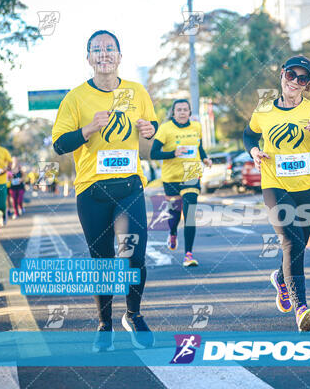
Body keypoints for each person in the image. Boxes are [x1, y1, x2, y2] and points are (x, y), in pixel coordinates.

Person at [52, 30, 158, 352]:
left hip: (128, 186)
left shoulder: (137, 92)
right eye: (97, 50)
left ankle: (133, 314)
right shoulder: (75, 98)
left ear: (119, 56)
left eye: (110, 48)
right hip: (91, 190)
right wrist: (88, 129)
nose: (104, 54)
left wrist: (149, 132)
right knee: (102, 260)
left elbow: (148, 142)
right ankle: (104, 324)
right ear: (89, 59)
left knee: (133, 253)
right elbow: (59, 145)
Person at [243, 55, 310, 331]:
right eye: (291, 75)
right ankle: (301, 309)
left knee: (298, 244)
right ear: (282, 75)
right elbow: (249, 135)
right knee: (292, 244)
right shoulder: (264, 111)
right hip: (275, 184)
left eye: (303, 78)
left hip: (309, 188)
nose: (295, 82)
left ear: (306, 84)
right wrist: (253, 151)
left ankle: (280, 277)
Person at [150, 99, 212, 267]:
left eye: (185, 109)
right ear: (174, 112)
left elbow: (199, 147)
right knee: (175, 214)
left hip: (191, 173)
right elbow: (154, 153)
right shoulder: (165, 129)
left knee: (190, 214)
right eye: (179, 110)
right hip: (172, 177)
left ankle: (188, 255)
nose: (182, 112)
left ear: (190, 112)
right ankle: (172, 232)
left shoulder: (196, 127)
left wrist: (205, 158)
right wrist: (173, 153)